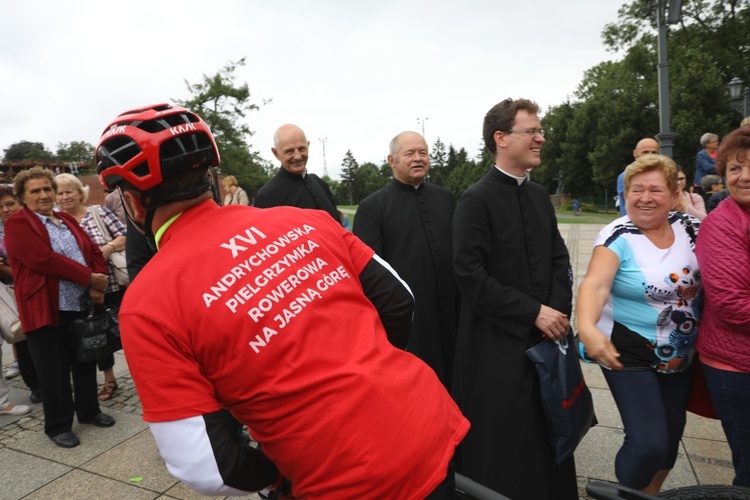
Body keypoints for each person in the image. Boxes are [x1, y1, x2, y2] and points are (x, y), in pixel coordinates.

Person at [95, 103, 468, 499]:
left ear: (133, 203)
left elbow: (204, 466)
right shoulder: (303, 219)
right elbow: (400, 300)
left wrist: (276, 476)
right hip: (427, 423)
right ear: (210, 175)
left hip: (339, 475)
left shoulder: (146, 304)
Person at [452, 98, 576, 500]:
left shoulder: (539, 196)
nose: (540, 138)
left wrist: (556, 312)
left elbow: (559, 259)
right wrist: (533, 313)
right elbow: (471, 278)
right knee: (509, 447)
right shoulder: (475, 200)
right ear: (501, 138)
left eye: (541, 131)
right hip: (498, 349)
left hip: (546, 337)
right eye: (532, 131)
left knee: (552, 433)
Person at [577, 154, 701, 494]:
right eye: (637, 189)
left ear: (674, 196)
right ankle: (620, 496)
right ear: (625, 194)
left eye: (655, 190)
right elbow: (595, 284)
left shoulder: (691, 228)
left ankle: (649, 495)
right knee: (648, 442)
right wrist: (586, 326)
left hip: (680, 357)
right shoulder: (619, 233)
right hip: (625, 351)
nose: (645, 197)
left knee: (670, 439)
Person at [4, 167, 115, 449]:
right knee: (53, 370)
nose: (43, 194)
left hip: (79, 303)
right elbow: (43, 259)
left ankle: (89, 411)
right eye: (35, 191)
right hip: (45, 307)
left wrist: (97, 282)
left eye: (47, 189)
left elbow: (91, 249)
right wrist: (88, 277)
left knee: (85, 359)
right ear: (22, 197)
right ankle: (58, 425)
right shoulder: (18, 224)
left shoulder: (65, 218)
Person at [354, 131, 458, 388]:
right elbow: (369, 273)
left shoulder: (446, 198)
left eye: (423, 153)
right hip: (410, 321)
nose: (418, 158)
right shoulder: (372, 207)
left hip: (453, 313)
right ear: (392, 160)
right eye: (410, 153)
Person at [695, 125, 750, 487]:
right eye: (735, 168)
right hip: (736, 366)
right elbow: (731, 304)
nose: (744, 176)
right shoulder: (720, 225)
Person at [55, 173, 126, 401]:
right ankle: (109, 379)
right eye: (59, 193)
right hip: (82, 290)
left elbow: (125, 235)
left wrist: (108, 247)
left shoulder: (98, 212)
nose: (64, 197)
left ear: (79, 192)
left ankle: (145, 374)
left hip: (113, 283)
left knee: (128, 331)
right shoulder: (56, 222)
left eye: (69, 191)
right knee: (96, 335)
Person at [0, 185, 41, 404]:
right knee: (23, 341)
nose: (6, 209)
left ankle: (52, 380)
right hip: (13, 293)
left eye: (10, 203)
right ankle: (35, 385)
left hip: (40, 289)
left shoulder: (33, 222)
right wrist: (28, 270)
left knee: (44, 338)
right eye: (1, 206)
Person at [254, 124, 340, 223]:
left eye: (301, 149)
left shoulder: (320, 183)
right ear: (276, 153)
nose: (298, 156)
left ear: (308, 146)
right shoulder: (267, 195)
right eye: (289, 151)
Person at [616, 138, 661, 216]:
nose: (650, 156)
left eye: (654, 152)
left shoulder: (662, 175)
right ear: (635, 153)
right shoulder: (626, 176)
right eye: (645, 152)